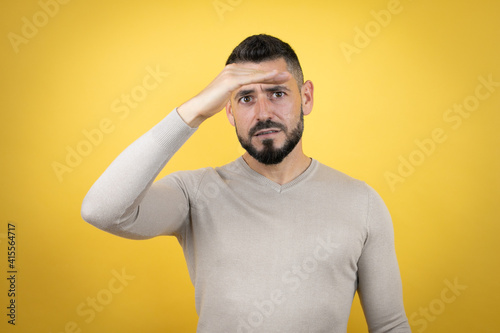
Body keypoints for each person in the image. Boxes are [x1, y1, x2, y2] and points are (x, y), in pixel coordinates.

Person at [81, 34, 411, 332]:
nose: (263, 113)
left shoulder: (362, 202)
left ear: (306, 97)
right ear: (227, 111)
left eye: (277, 93)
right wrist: (194, 110)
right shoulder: (195, 194)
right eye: (245, 99)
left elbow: (390, 325)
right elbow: (102, 210)